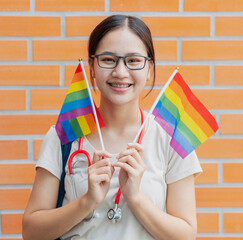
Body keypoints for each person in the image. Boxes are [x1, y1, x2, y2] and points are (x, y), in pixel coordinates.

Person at [22, 14, 202, 240]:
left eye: (134, 60)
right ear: (92, 66)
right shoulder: (64, 135)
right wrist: (87, 201)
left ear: (149, 68)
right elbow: (31, 232)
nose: (120, 72)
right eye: (108, 59)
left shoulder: (171, 138)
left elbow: (185, 235)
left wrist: (135, 198)